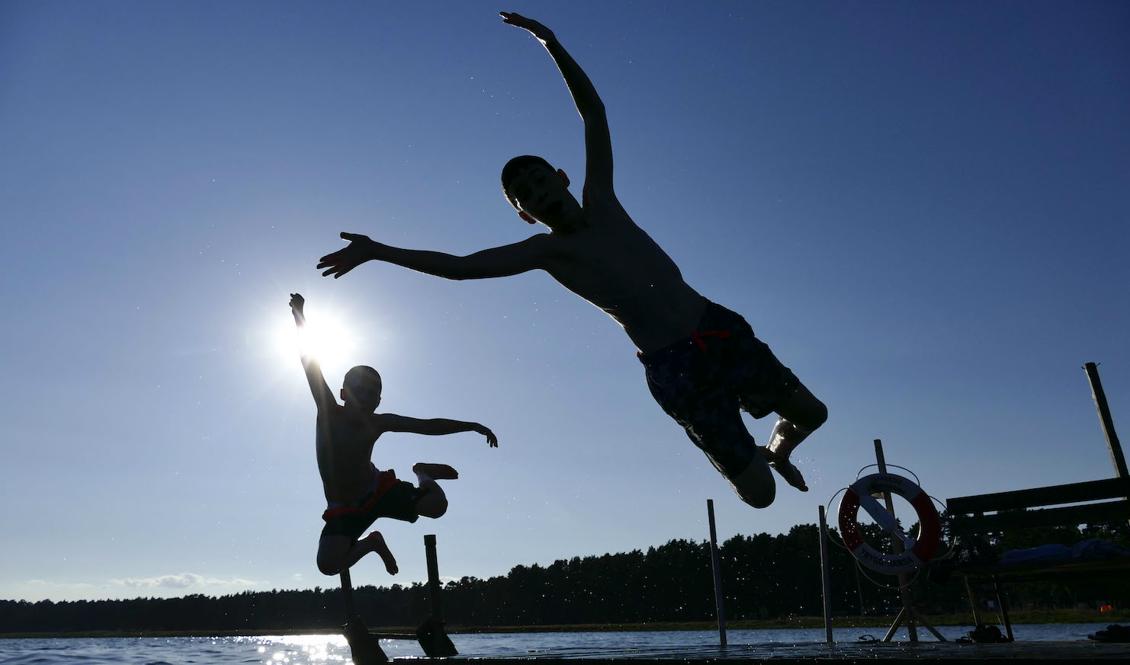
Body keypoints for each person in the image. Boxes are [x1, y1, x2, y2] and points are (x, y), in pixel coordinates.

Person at [315, 12, 826, 509]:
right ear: (526, 216)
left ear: (561, 177)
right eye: (526, 196)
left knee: (812, 412)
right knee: (760, 497)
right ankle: (745, 460)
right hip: (676, 367)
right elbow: (460, 266)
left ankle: (776, 450)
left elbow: (594, 114)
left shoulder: (602, 199)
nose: (538, 193)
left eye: (539, 181)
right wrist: (379, 251)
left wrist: (551, 44)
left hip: (714, 327)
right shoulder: (547, 252)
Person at [289, 293, 498, 576]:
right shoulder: (328, 411)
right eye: (359, 391)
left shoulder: (378, 423)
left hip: (378, 491)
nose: (365, 398)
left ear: (378, 402)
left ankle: (422, 472)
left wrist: (471, 425)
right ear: (342, 394)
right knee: (328, 565)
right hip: (345, 507)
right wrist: (300, 316)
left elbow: (427, 425)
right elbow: (309, 362)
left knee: (437, 507)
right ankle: (373, 543)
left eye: (373, 394)